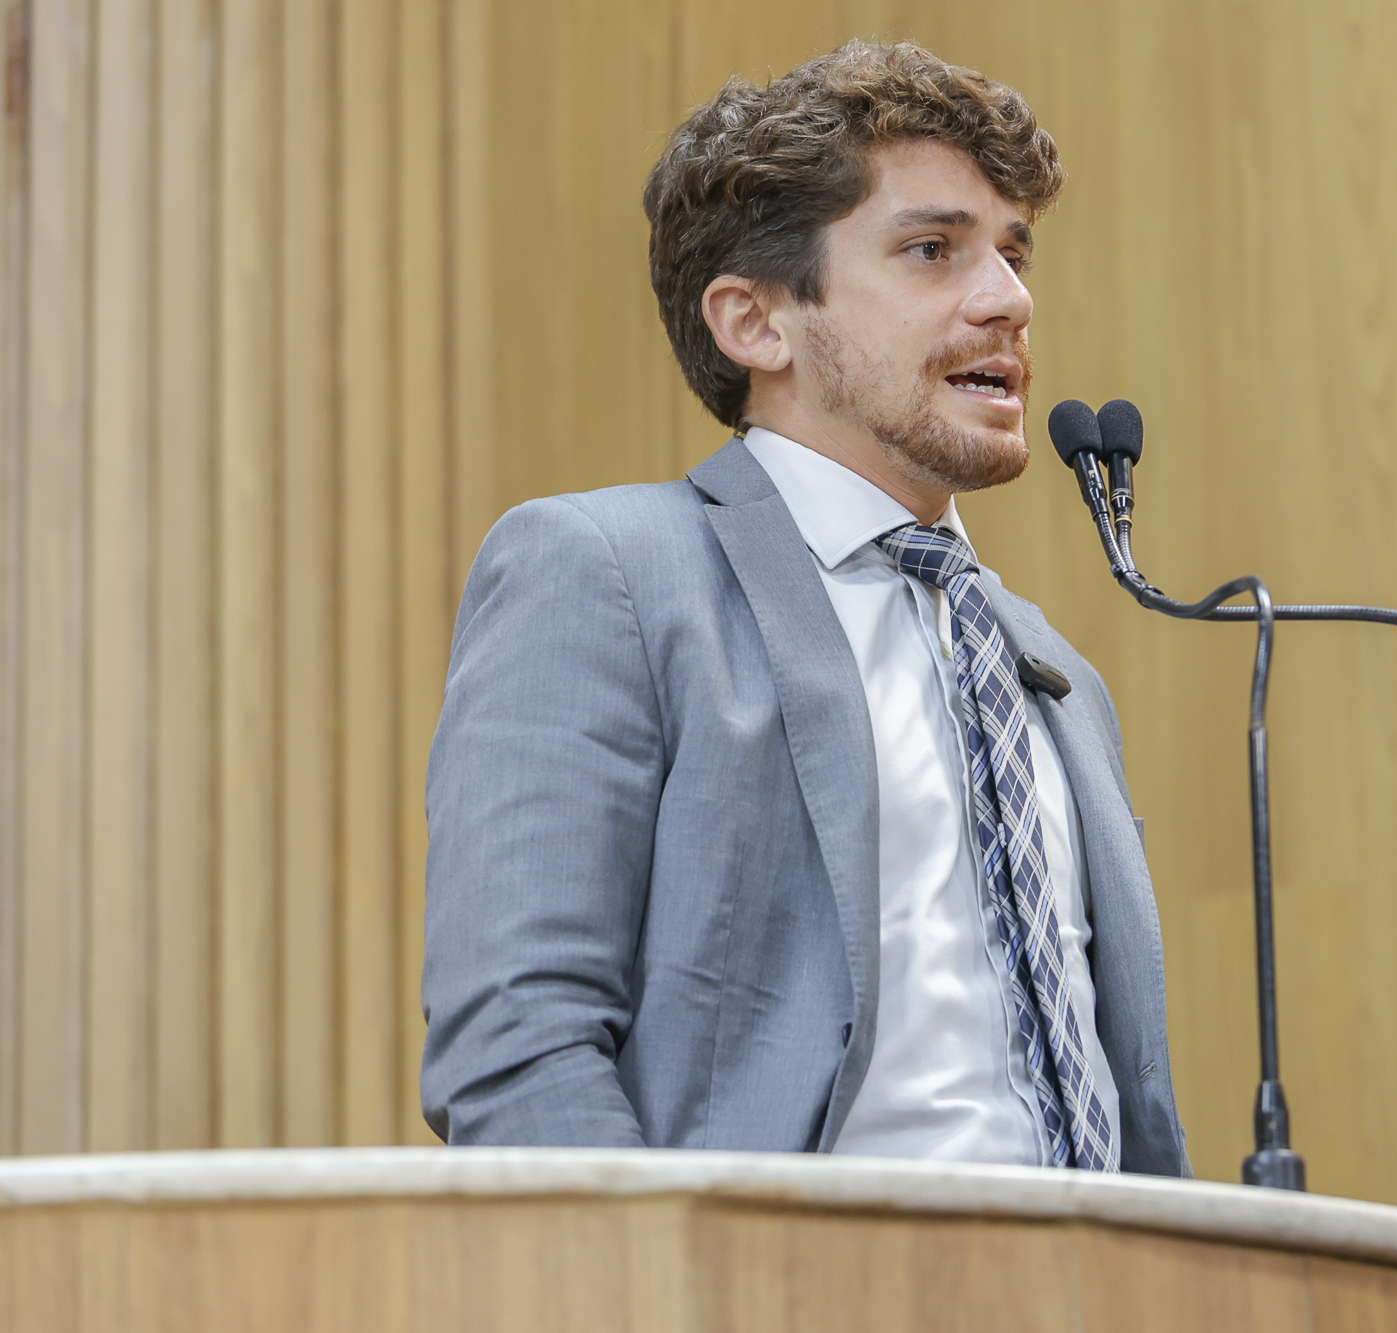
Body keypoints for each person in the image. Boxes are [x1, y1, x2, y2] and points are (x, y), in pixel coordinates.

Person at [420, 40, 1189, 1176]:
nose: (1011, 300)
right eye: (933, 250)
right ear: (755, 323)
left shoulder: (1050, 669)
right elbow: (518, 1050)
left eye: (1013, 253)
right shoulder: (606, 574)